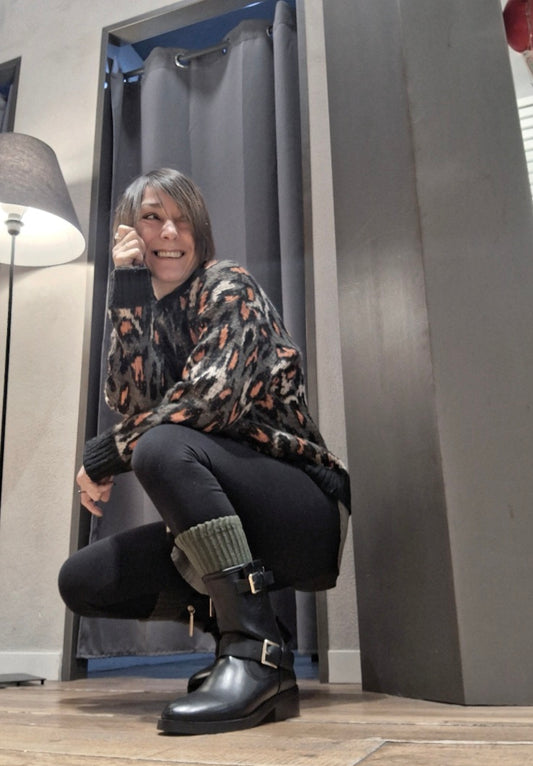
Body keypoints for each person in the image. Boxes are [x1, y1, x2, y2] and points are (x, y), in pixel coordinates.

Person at [59, 168, 351, 735]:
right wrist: (128, 290)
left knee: (161, 448)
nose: (170, 232)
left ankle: (253, 654)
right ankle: (255, 641)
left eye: (183, 219)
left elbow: (206, 403)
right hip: (231, 520)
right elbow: (128, 400)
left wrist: (102, 456)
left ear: (200, 230)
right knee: (84, 579)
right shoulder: (149, 308)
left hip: (302, 508)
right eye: (152, 218)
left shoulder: (229, 286)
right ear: (130, 230)